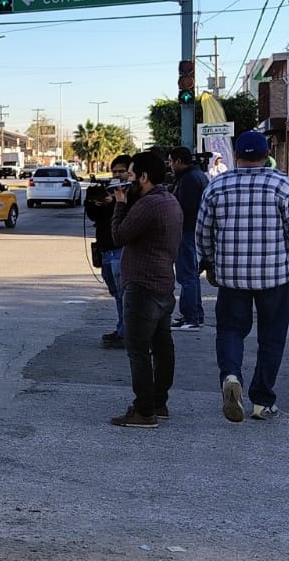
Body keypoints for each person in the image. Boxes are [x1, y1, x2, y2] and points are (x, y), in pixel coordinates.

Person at [197, 131, 289, 423]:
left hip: (231, 277)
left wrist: (209, 263)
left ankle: (230, 376)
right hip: (273, 278)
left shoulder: (217, 186)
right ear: (267, 156)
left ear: (236, 155)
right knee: (271, 339)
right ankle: (262, 401)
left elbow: (203, 232)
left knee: (229, 331)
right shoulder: (283, 185)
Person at [107, 151, 182, 428]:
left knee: (138, 350)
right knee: (163, 347)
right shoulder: (169, 200)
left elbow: (119, 235)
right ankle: (158, 402)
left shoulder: (147, 205)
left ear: (144, 177)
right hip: (163, 283)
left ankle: (144, 411)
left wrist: (120, 204)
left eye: (130, 175)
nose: (126, 180)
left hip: (142, 286)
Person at [85, 154, 132, 349]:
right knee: (116, 293)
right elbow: (96, 217)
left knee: (124, 295)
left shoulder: (132, 193)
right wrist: (92, 201)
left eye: (122, 171)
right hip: (105, 250)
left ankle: (126, 333)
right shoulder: (109, 192)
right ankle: (122, 329)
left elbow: (126, 217)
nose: (118, 175)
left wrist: (115, 200)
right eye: (115, 172)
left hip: (119, 250)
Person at [168, 147, 209, 331]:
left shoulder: (189, 179)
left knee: (187, 276)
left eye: (170, 161)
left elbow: (186, 207)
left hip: (187, 232)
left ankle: (191, 316)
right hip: (193, 231)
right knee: (190, 275)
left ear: (178, 161)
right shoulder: (196, 175)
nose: (170, 166)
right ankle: (193, 315)